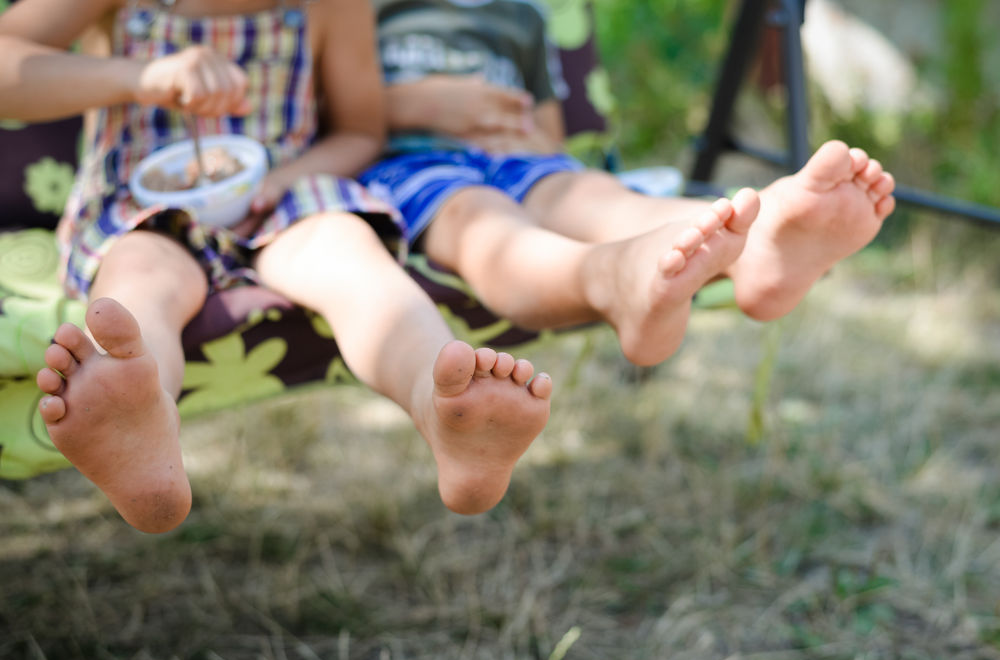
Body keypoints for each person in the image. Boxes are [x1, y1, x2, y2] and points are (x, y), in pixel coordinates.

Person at [0, 0, 557, 534]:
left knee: (348, 253)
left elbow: (360, 132)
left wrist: (287, 181)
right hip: (142, 203)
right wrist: (139, 77)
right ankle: (142, 430)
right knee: (143, 276)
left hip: (283, 190)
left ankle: (444, 409)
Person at [358, 0, 897, 358]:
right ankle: (611, 280)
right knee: (482, 224)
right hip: (411, 164)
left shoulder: (519, 15)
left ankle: (758, 246)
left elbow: (550, 134)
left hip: (519, 160)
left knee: (593, 195)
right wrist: (419, 104)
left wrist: (529, 145)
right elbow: (324, 117)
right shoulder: (361, 9)